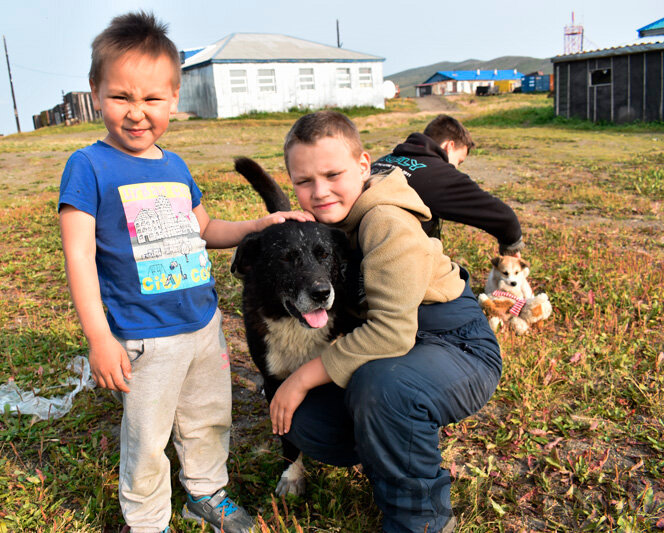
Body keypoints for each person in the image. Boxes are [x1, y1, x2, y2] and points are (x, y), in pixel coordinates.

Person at [58, 12, 310, 533]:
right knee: (147, 434)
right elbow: (79, 257)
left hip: (202, 325)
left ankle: (206, 492)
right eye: (121, 97)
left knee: (208, 417)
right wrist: (98, 337)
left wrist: (259, 224)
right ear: (95, 92)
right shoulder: (88, 166)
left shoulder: (174, 166)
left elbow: (206, 228)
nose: (136, 113)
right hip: (145, 338)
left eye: (151, 99)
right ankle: (146, 519)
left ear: (174, 97)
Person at [269, 111, 502, 533]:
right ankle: (394, 455)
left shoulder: (387, 222)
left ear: (363, 166)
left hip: (456, 343)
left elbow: (391, 332)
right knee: (307, 419)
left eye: (333, 174)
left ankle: (421, 520)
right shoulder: (330, 223)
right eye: (304, 182)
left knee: (383, 386)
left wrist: (301, 378)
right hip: (403, 347)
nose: (319, 192)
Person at [371, 114, 524, 256]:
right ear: (448, 146)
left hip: (357, 256)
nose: (456, 168)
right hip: (389, 265)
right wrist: (512, 246)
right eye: (459, 161)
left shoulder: (384, 160)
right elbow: (505, 219)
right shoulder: (436, 174)